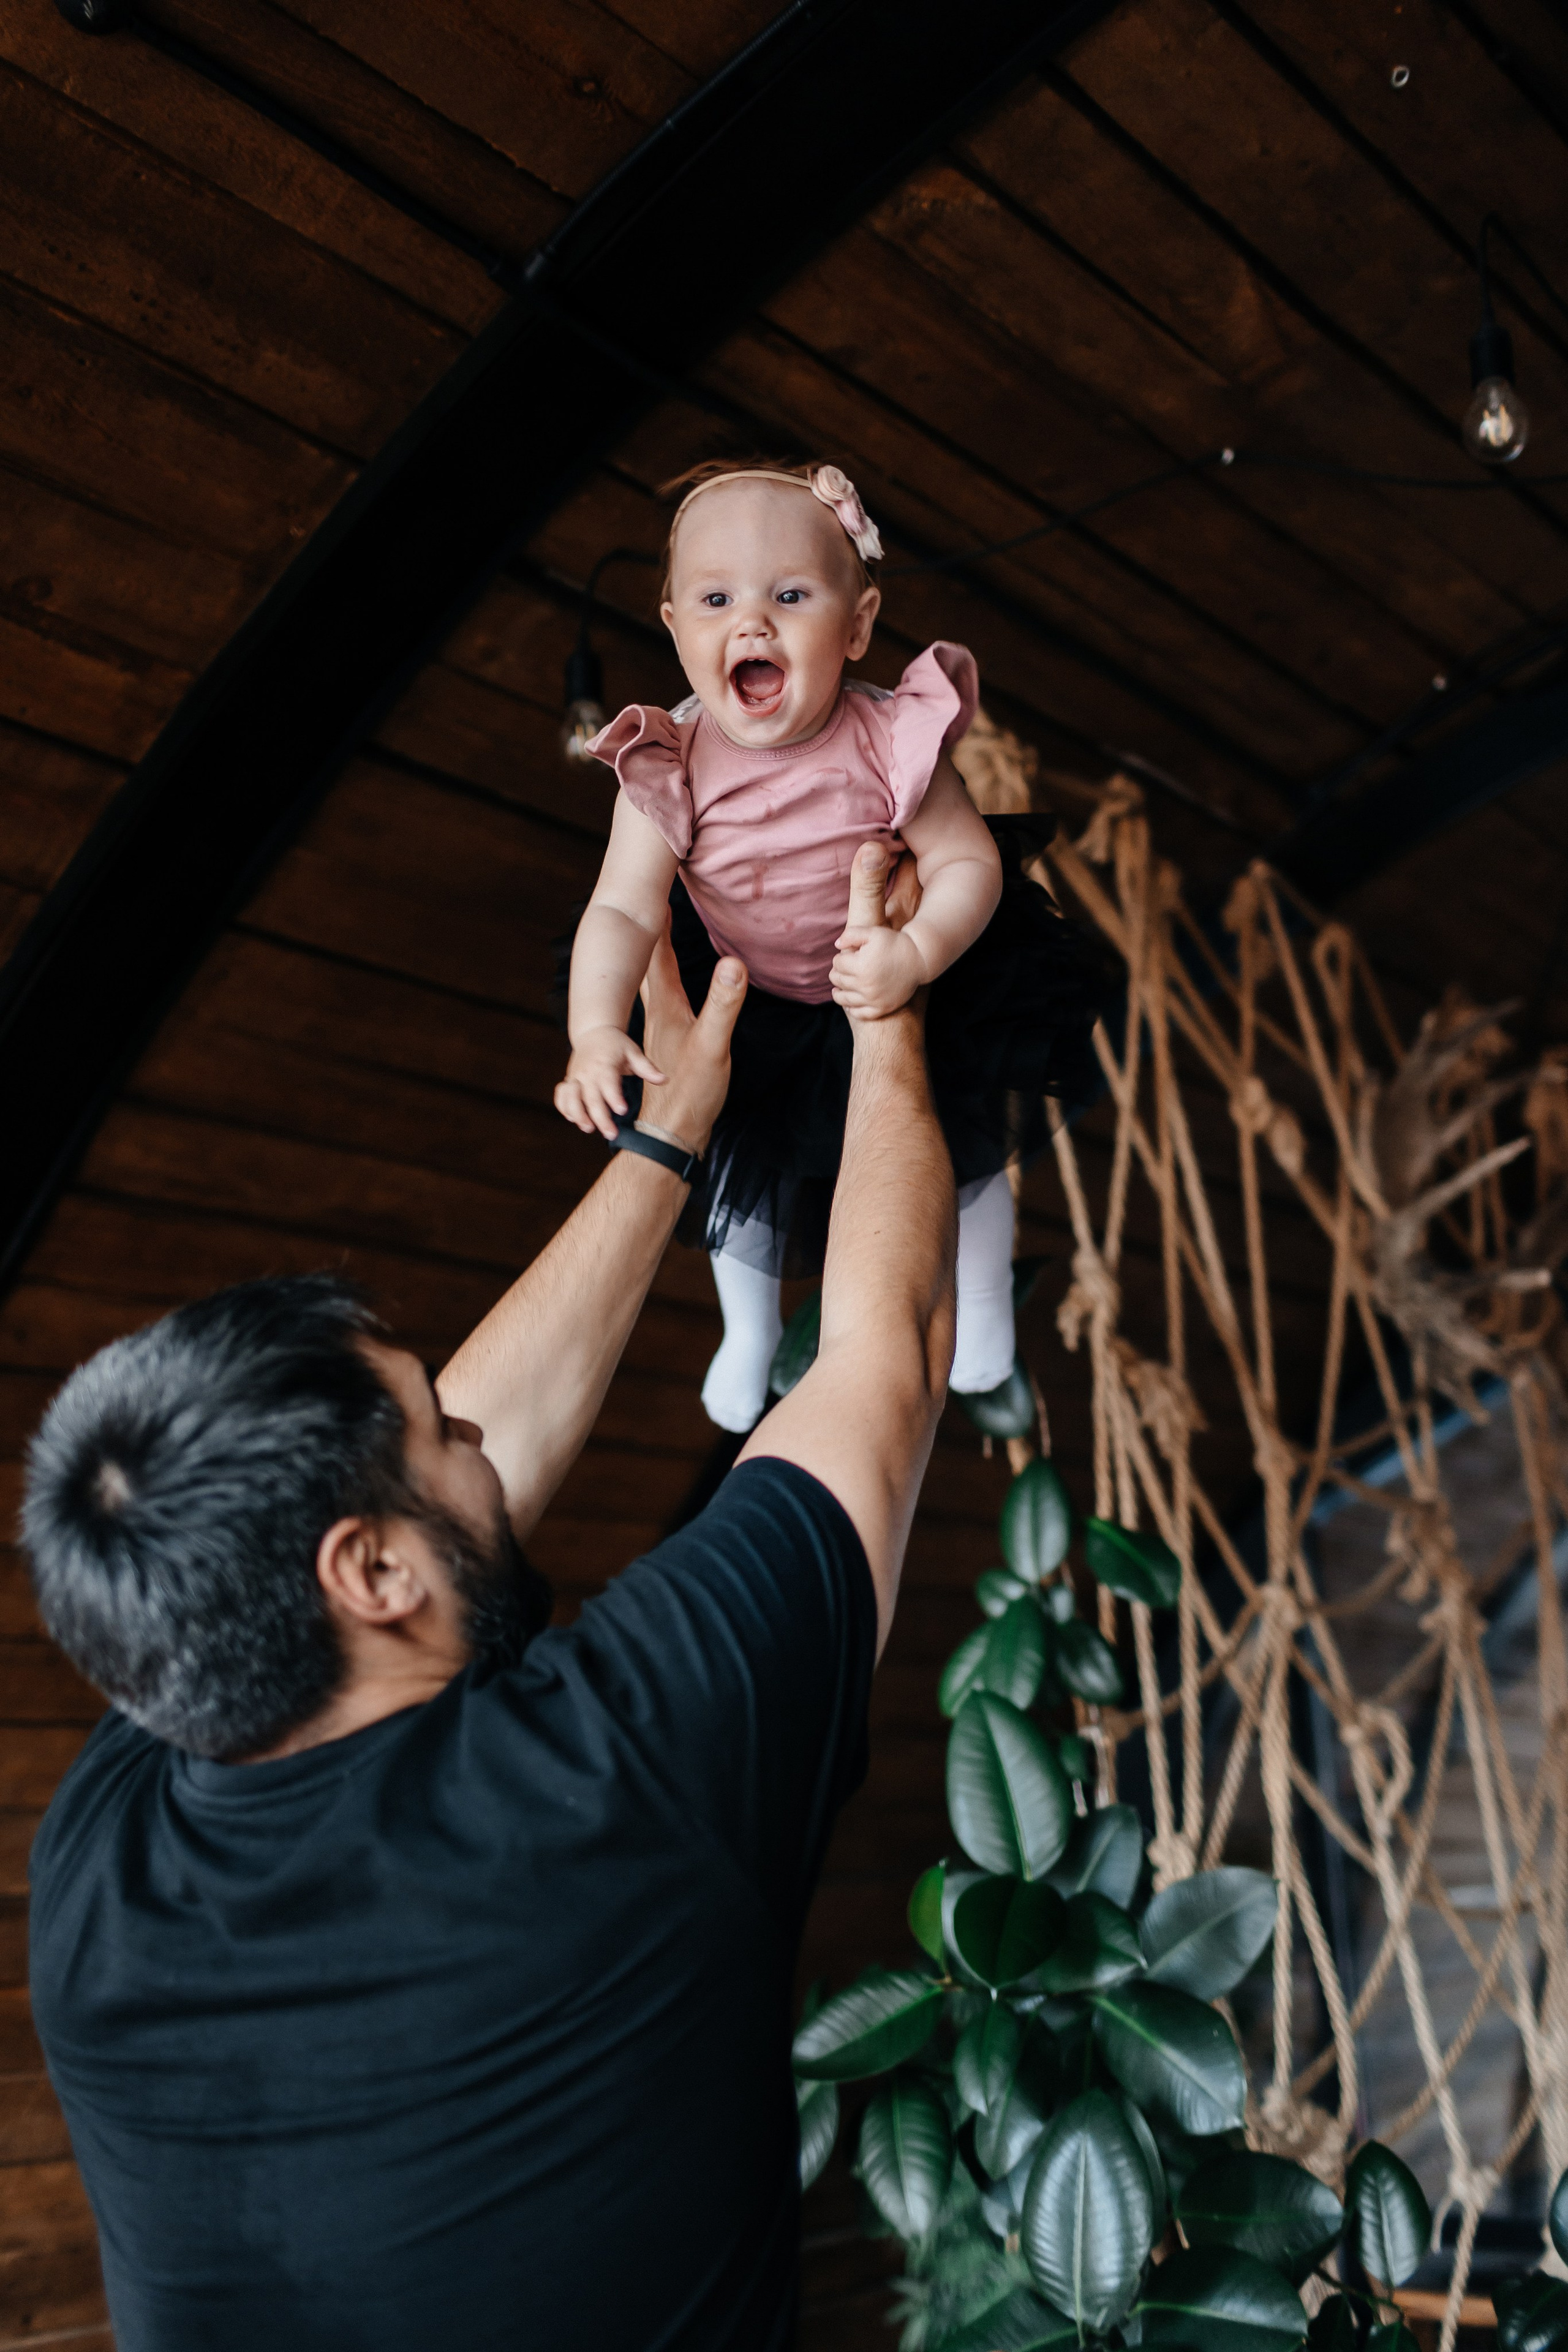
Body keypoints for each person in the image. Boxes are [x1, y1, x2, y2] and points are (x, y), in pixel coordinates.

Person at [22, 855, 957, 2352]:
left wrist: (670, 1139)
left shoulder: (103, 1866)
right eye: (433, 1428)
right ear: (370, 1574)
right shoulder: (613, 1783)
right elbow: (876, 1362)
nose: (474, 1432)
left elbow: (467, 1465)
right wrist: (892, 1010)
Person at [554, 456, 1102, 1433]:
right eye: (717, 598)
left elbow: (971, 864)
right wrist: (594, 1028)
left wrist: (919, 952)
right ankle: (751, 1334)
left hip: (907, 976)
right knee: (741, 1177)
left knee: (967, 1158)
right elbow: (622, 912)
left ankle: (981, 1314)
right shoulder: (667, 762)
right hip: (761, 1003)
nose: (751, 623)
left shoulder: (892, 739)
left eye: (791, 595)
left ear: (856, 626)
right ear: (677, 630)